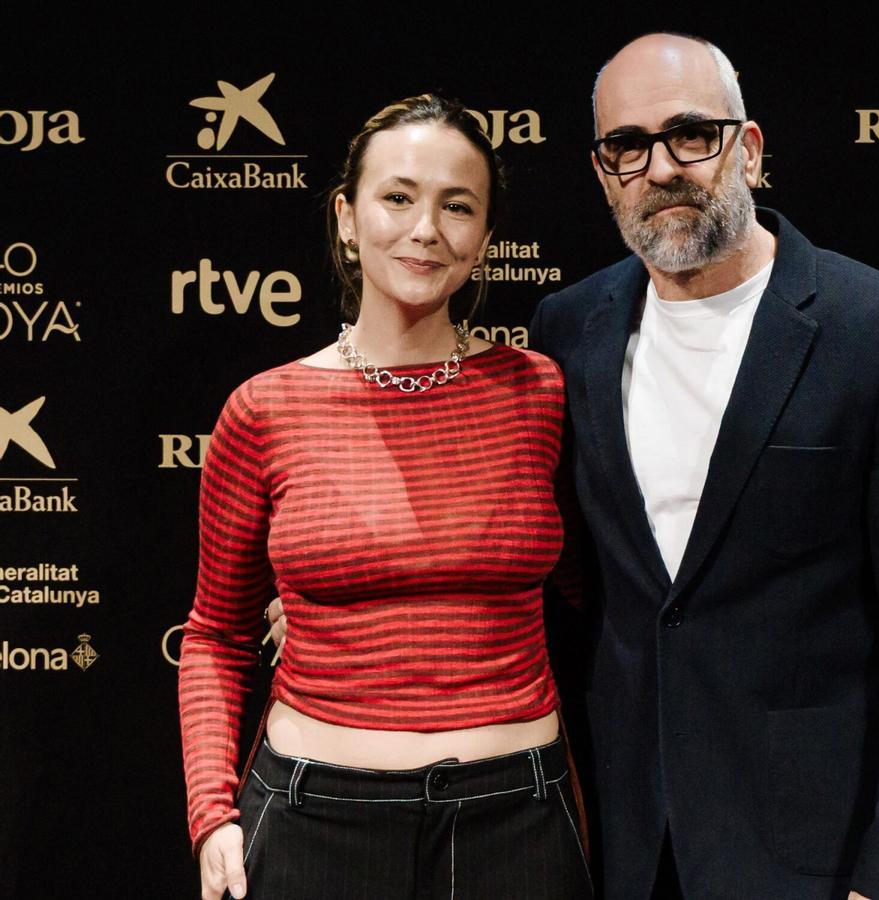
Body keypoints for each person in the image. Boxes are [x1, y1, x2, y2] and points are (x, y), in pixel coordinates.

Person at [526, 33, 879, 900]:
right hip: (618, 840)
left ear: (749, 148)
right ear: (602, 174)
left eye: (691, 133)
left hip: (812, 852)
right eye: (626, 146)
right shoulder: (570, 327)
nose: (660, 167)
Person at [178, 94, 591, 900]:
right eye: (398, 197)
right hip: (314, 818)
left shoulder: (538, 392)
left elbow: (602, 585)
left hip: (520, 820)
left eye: (457, 206)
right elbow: (215, 635)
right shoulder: (264, 409)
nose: (426, 228)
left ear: (485, 238)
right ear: (346, 215)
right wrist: (211, 814)